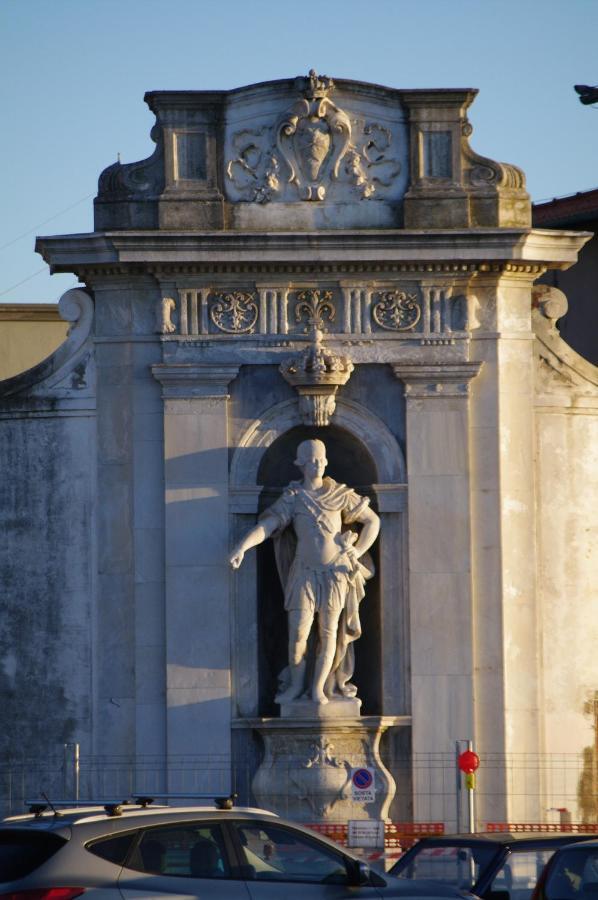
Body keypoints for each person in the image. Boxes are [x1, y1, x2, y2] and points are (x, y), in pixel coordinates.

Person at [230, 439, 380, 705]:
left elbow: (372, 521)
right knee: (298, 633)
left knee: (329, 633)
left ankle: (319, 689)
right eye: (311, 460)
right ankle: (296, 687)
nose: (317, 465)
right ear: (300, 465)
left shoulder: (339, 494)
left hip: (335, 573)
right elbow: (268, 525)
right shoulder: (294, 498)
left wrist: (356, 552)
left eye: (321, 459)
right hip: (304, 574)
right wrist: (242, 546)